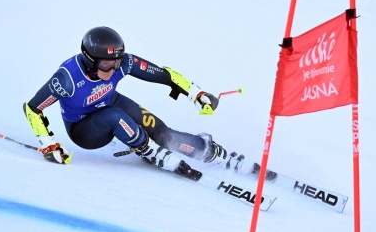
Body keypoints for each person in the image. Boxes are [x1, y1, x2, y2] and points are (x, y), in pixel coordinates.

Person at [23, 26, 245, 178]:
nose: (113, 69)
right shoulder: (67, 78)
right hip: (84, 129)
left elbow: (163, 74)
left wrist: (195, 93)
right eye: (106, 65)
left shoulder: (122, 63)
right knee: (115, 117)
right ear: (90, 61)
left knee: (161, 131)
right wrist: (48, 143)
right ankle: (147, 149)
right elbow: (33, 109)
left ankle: (206, 151)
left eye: (117, 62)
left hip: (110, 102)